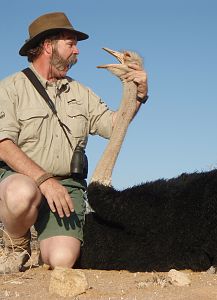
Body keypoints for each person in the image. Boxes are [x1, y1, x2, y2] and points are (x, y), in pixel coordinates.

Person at [0, 12, 148, 273]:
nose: (77, 51)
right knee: (20, 194)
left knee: (61, 261)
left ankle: (43, 250)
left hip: (66, 186)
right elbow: (3, 144)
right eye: (70, 43)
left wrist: (137, 96)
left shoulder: (80, 93)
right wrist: (44, 180)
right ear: (48, 45)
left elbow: (114, 126)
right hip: (22, 179)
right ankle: (16, 244)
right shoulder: (11, 88)